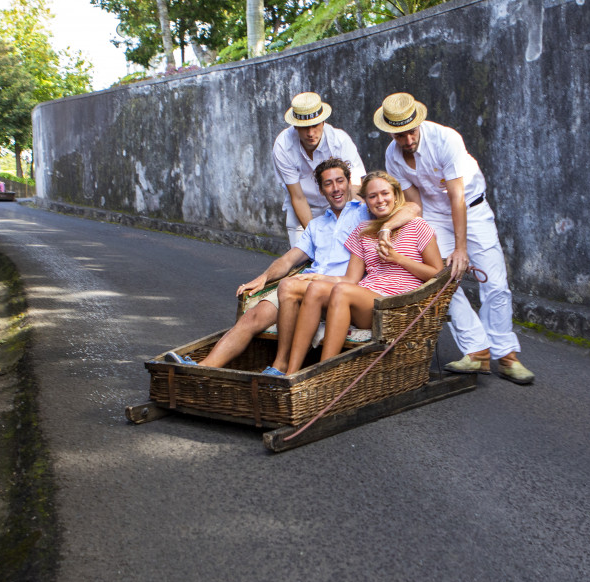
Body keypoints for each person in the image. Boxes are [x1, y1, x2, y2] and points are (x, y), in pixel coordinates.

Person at [164, 159, 419, 369]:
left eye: (340, 181)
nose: (335, 188)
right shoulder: (317, 225)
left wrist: (385, 228)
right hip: (305, 283)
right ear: (321, 190)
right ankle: (201, 368)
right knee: (252, 316)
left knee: (288, 286)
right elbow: (289, 259)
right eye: (328, 184)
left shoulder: (364, 212)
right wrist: (264, 277)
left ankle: (282, 365)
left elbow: (412, 208)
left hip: (336, 289)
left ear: (349, 183)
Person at [375, 92, 534, 384]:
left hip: (471, 209)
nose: (407, 140)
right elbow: (415, 206)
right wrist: (388, 227)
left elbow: (457, 196)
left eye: (410, 132)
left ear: (418, 122)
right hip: (434, 216)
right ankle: (477, 351)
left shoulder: (445, 139)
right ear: (390, 132)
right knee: (440, 279)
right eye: (399, 135)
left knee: (496, 283)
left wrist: (461, 248)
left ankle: (508, 357)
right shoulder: (392, 156)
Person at [271, 171, 444, 376]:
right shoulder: (363, 230)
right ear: (366, 202)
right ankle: (291, 373)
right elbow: (350, 279)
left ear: (396, 195)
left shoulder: (417, 226)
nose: (379, 200)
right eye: (372, 196)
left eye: (384, 194)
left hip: (396, 304)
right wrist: (319, 277)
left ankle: (324, 374)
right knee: (316, 288)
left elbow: (437, 274)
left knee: (343, 291)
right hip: (366, 301)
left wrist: (398, 259)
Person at [273, 92, 366, 249]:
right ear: (295, 126)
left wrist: (353, 221)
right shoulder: (283, 146)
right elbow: (298, 197)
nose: (310, 133)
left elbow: (354, 187)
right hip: (302, 207)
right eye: (304, 128)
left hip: (339, 204)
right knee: (304, 259)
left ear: (323, 122)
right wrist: (315, 237)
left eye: (315, 126)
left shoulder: (340, 141)